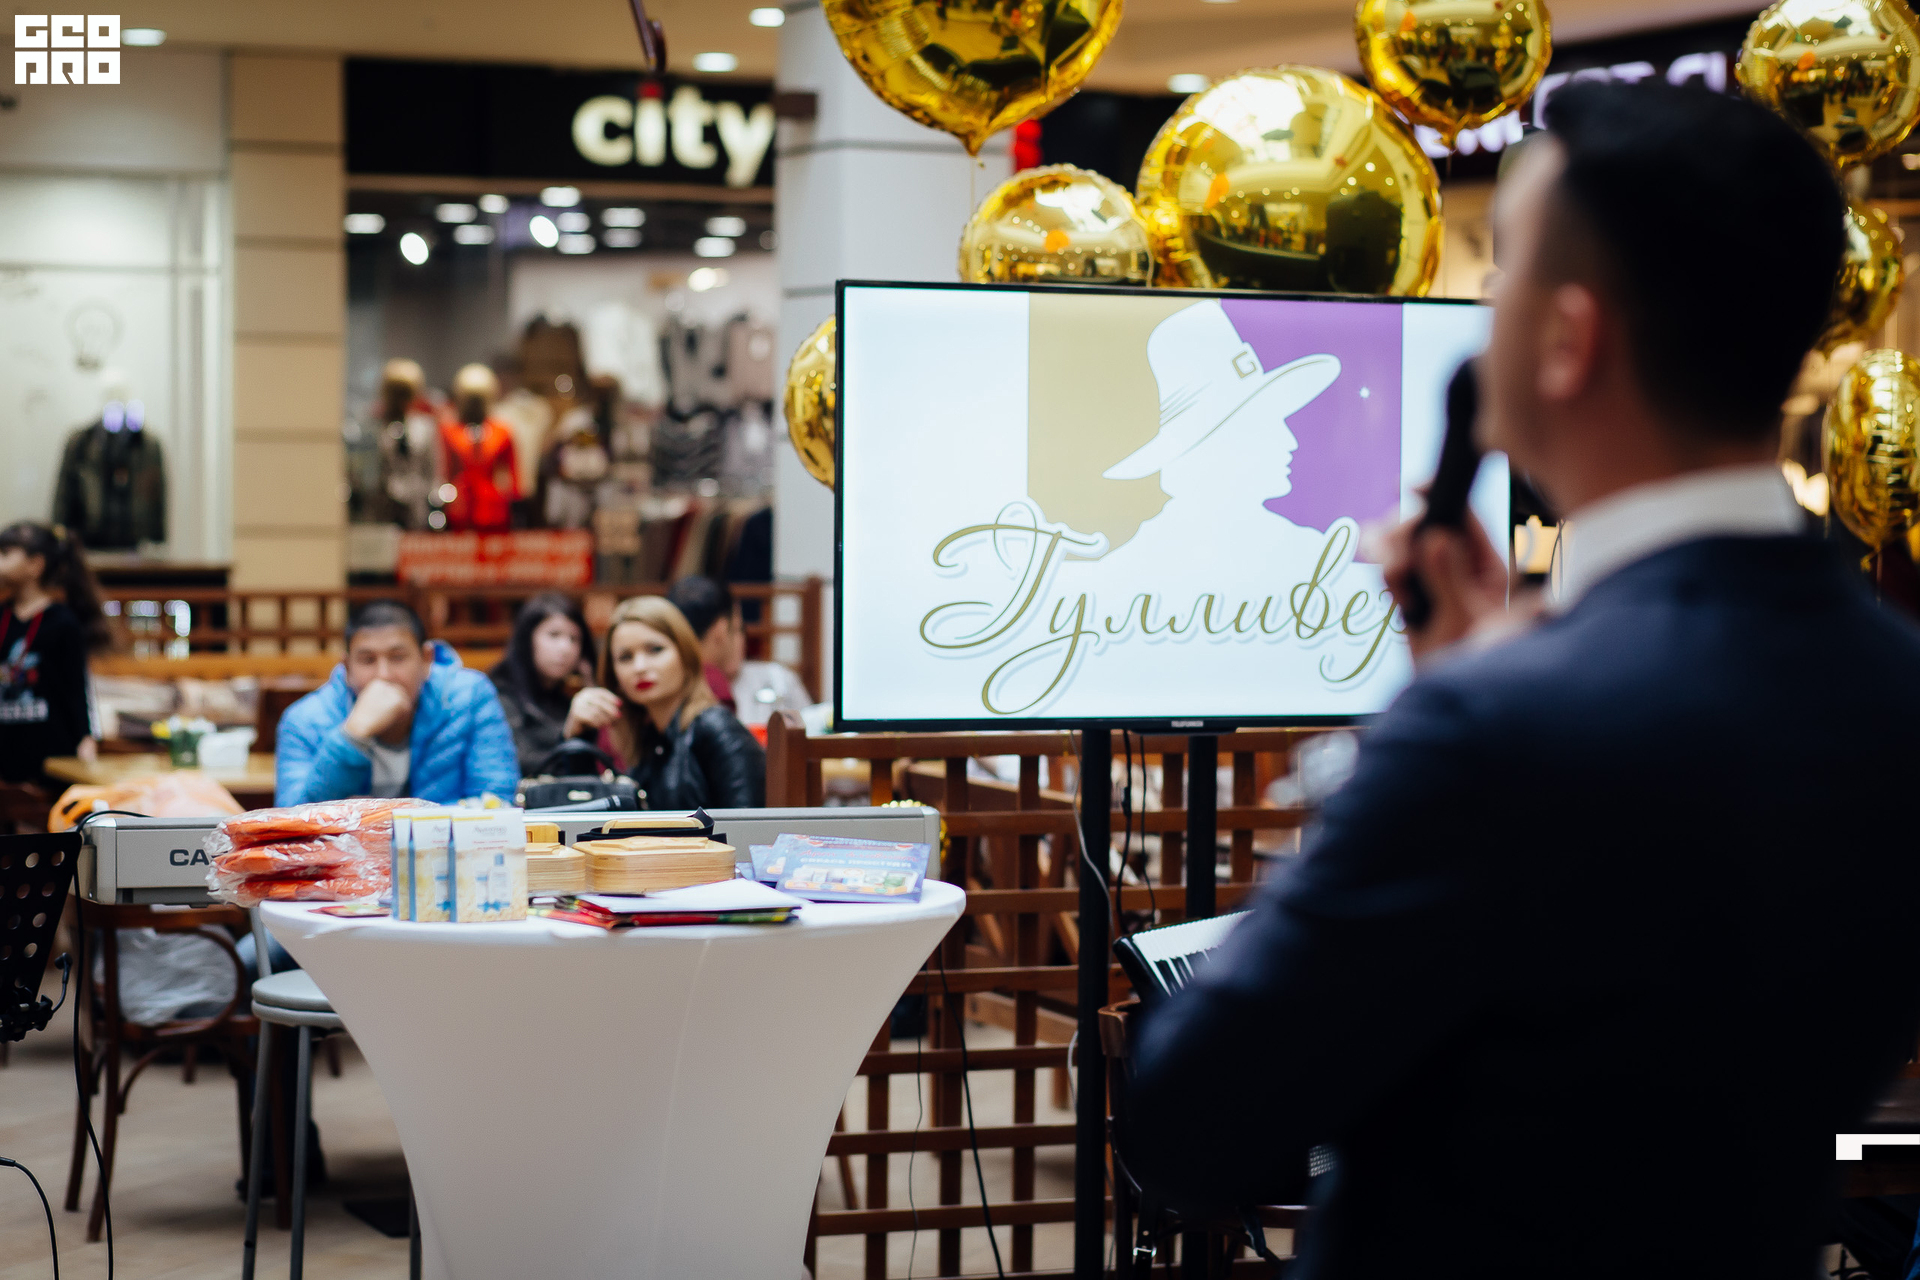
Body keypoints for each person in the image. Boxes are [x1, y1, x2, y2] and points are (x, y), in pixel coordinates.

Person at [1129, 82, 1920, 1280]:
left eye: (1502, 272)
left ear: (1566, 340)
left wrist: (1414, 728)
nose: (1482, 308)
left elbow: (1196, 1123)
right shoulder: (1892, 687)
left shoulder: (1494, 728)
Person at [275, 600, 517, 806]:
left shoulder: (471, 697)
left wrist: (386, 822)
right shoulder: (304, 720)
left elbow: (496, 802)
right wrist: (352, 736)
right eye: (368, 660)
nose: (384, 675)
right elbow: (290, 820)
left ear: (426, 660)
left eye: (398, 657)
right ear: (347, 667)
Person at [563, 596, 764, 810]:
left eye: (655, 650)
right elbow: (588, 815)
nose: (640, 667)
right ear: (615, 675)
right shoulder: (648, 741)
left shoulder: (716, 728)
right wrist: (577, 737)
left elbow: (748, 825)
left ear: (685, 655)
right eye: (625, 657)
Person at [0, 522, 108, 785]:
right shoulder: (3, 616)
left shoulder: (62, 622)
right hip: (6, 747)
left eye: (5, 554)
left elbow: (77, 686)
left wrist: (86, 737)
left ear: (35, 565)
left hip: (50, 748)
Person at [666, 575, 812, 726]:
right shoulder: (778, 678)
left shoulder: (778, 679)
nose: (743, 639)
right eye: (739, 628)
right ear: (721, 630)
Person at [489, 593, 596, 777]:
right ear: (527, 639)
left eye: (574, 639)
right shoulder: (498, 694)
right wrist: (568, 736)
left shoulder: (565, 700)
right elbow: (518, 766)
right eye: (554, 635)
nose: (565, 648)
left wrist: (591, 684)